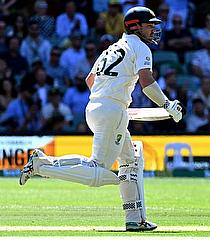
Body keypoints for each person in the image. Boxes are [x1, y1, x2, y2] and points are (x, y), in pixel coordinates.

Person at [19, 6, 184, 232]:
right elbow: (147, 82)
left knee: (130, 161)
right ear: (134, 27)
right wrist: (167, 104)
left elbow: (90, 80)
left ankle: (134, 219)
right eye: (149, 26)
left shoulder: (111, 49)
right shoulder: (140, 48)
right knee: (98, 170)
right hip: (111, 111)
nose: (153, 30)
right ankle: (42, 166)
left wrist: (113, 96)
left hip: (95, 107)